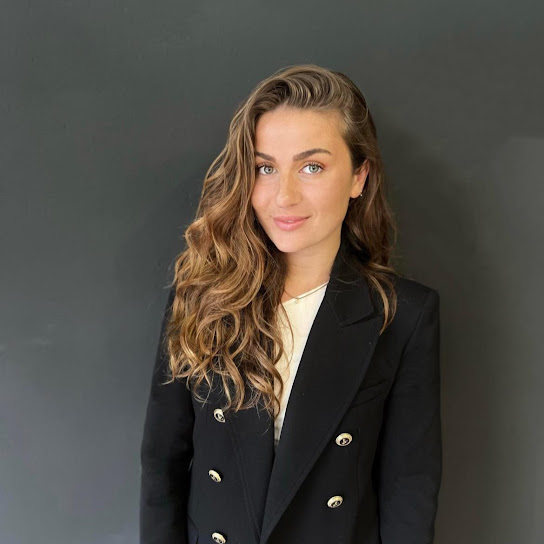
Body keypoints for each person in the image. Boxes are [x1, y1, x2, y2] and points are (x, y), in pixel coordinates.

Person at [139, 64, 442, 544]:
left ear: (359, 177)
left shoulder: (402, 314)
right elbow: (162, 463)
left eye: (311, 167)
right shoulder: (201, 295)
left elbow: (409, 485)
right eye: (265, 168)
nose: (284, 196)